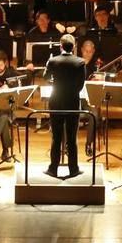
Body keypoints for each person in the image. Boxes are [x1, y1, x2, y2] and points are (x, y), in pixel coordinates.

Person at [43, 34, 87, 178]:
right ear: (74, 47)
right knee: (72, 138)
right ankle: (73, 169)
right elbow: (80, 86)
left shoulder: (53, 61)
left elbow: (46, 77)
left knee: (56, 137)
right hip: (73, 102)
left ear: (60, 46)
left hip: (56, 101)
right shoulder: (80, 62)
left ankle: (53, 169)